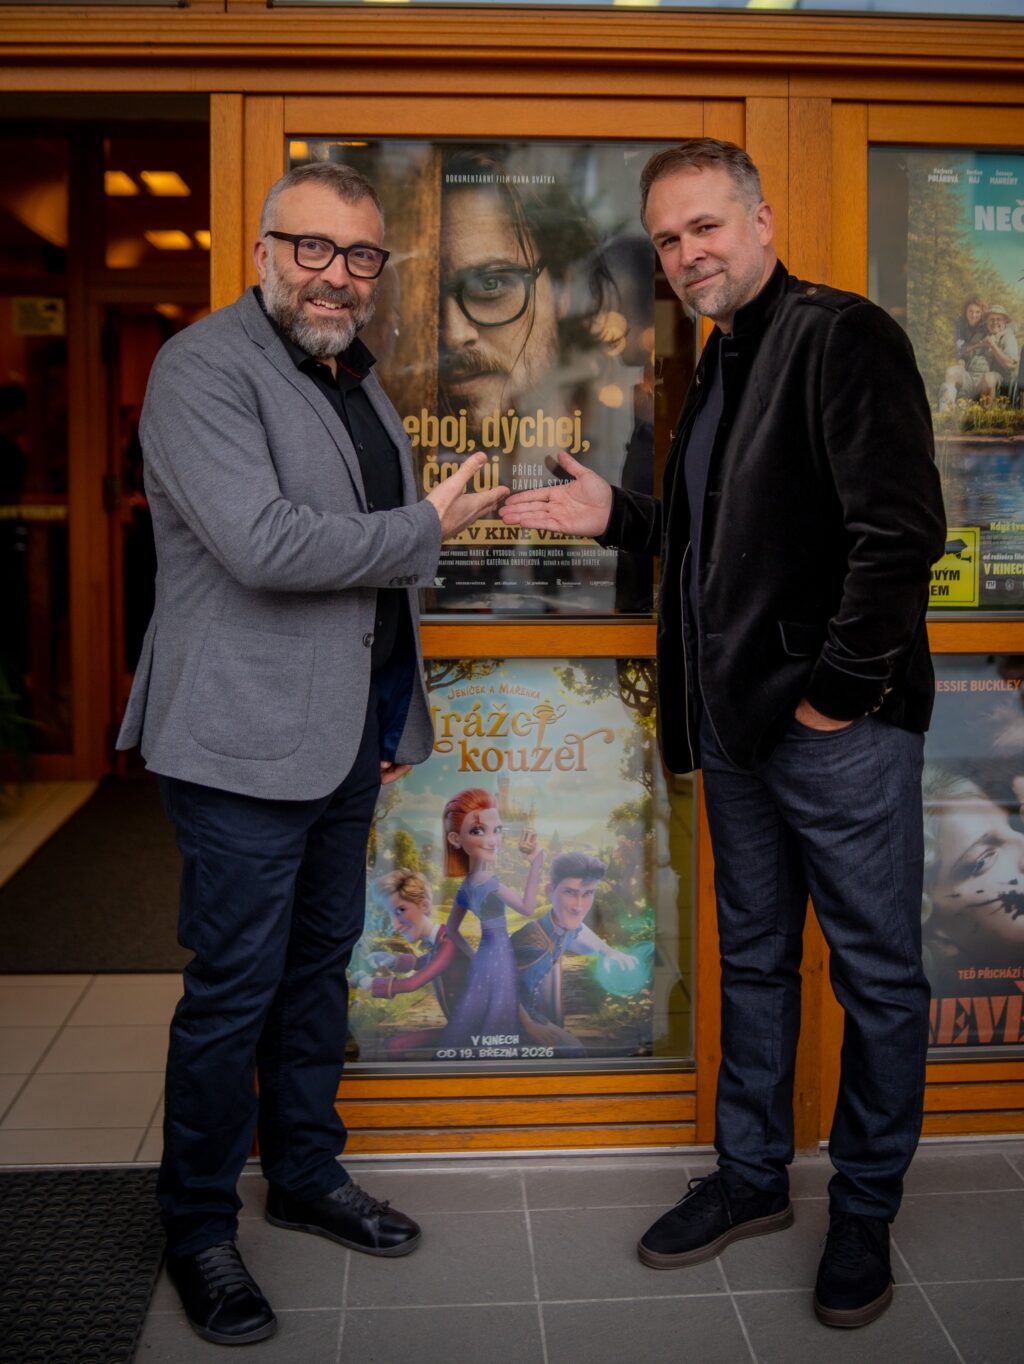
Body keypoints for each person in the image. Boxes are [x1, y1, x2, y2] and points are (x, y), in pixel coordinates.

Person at [501, 138, 946, 1330]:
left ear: (758, 220)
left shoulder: (840, 335)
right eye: (667, 238)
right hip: (741, 735)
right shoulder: (721, 359)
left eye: (704, 226)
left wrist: (832, 698)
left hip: (836, 733)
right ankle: (751, 1174)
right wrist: (620, 515)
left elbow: (900, 536)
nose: (687, 253)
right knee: (752, 961)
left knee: (875, 977)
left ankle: (863, 1206)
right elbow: (727, 542)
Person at [116, 161, 506, 1347]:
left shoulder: (353, 377)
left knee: (315, 973)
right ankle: (197, 1226)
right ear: (263, 252)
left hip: (346, 742)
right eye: (313, 248)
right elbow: (265, 544)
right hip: (238, 740)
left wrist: (384, 719)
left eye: (360, 255)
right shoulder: (201, 368)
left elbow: (366, 580)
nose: (337, 274)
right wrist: (430, 524)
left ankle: (301, 1173)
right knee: (233, 988)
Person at [438, 786, 545, 1049]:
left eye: (496, 830)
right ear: (455, 839)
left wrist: (474, 956)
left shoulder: (466, 886)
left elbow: (451, 930)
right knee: (498, 1011)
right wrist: (536, 863)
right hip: (499, 957)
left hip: (483, 958)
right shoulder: (488, 881)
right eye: (478, 831)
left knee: (476, 1010)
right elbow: (527, 907)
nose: (492, 840)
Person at [511, 850, 638, 1054]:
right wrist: (528, 1023)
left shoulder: (561, 925)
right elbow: (498, 986)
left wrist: (608, 951)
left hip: (531, 1015)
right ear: (550, 890)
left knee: (574, 1050)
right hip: (509, 1019)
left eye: (588, 893)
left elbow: (578, 932)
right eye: (570, 892)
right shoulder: (532, 944)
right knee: (572, 1051)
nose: (579, 906)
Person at [351, 867, 471, 1053]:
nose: (395, 925)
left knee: (396, 1045)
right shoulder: (441, 940)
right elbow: (422, 962)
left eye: (400, 910)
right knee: (395, 1044)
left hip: (472, 1032)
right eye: (390, 914)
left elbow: (411, 984)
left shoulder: (448, 943)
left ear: (425, 906)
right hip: (461, 1027)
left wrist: (367, 982)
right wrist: (392, 960)